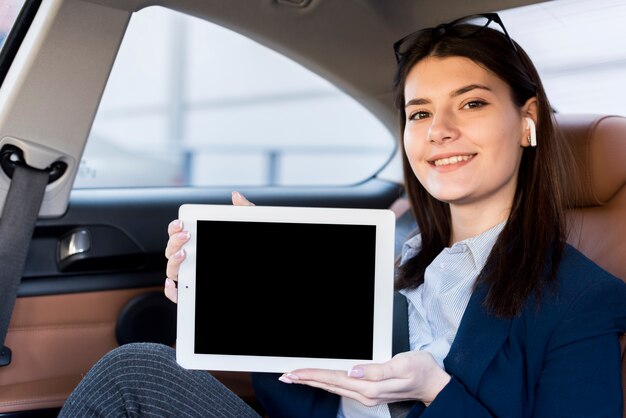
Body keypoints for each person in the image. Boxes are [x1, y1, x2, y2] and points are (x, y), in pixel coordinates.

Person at [59, 13, 626, 418]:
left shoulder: (580, 298)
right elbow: (301, 403)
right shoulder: (393, 256)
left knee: (134, 372)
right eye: (420, 112)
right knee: (138, 370)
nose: (439, 131)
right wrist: (245, 302)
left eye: (471, 103)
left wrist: (435, 390)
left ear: (526, 119)